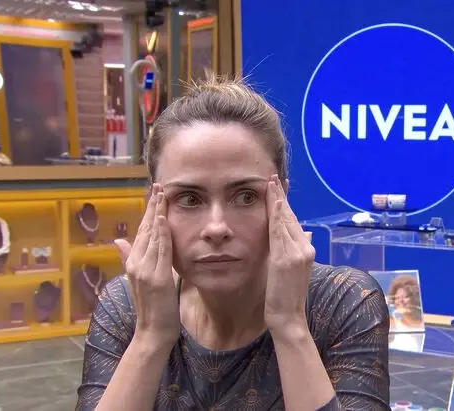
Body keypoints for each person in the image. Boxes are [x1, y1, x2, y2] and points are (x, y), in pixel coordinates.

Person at [75, 75, 391, 411]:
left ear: (281, 199)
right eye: (189, 199)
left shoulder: (343, 302)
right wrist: (150, 337)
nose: (216, 228)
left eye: (245, 196)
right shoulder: (125, 306)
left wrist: (290, 326)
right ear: (154, 208)